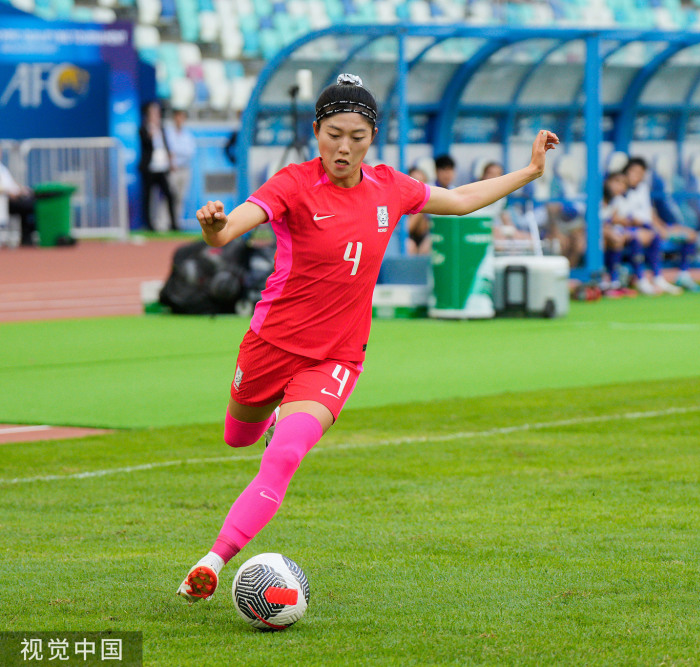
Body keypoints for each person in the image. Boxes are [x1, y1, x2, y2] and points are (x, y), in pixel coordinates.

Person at [176, 74, 559, 602]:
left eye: (357, 135)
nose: (344, 146)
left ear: (371, 137)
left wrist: (531, 171)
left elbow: (464, 198)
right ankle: (268, 419)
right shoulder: (291, 184)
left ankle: (213, 560)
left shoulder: (390, 187)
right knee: (238, 437)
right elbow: (228, 231)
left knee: (284, 456)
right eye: (334, 133)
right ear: (316, 131)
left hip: (336, 357)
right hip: (270, 344)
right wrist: (213, 225)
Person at [620, 157, 695, 293]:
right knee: (651, 236)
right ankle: (644, 279)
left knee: (690, 235)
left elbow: (650, 212)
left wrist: (662, 227)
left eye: (641, 173)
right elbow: (623, 216)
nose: (637, 176)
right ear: (626, 171)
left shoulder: (643, 188)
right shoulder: (620, 191)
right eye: (634, 172)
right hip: (633, 230)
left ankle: (683, 275)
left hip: (650, 226)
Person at [139, 101, 178, 231]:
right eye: (153, 111)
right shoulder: (143, 128)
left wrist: (170, 162)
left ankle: (173, 224)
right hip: (149, 168)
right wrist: (152, 131)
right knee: (148, 198)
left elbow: (166, 145)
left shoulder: (162, 128)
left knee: (170, 195)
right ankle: (149, 225)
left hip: (162, 168)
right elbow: (146, 143)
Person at [164, 108, 197, 230]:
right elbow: (168, 150)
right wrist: (174, 155)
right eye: (178, 117)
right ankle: (164, 223)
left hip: (184, 168)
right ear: (174, 118)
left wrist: (176, 153)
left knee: (181, 197)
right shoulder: (168, 133)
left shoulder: (187, 134)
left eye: (182, 117)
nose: (179, 120)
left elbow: (190, 152)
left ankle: (176, 223)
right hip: (172, 169)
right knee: (169, 197)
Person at [0, 147, 36, 246]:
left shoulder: (2, 168)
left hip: (14, 198)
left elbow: (11, 183)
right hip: (4, 201)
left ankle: (27, 238)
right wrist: (9, 193)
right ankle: (27, 237)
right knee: (29, 206)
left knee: (33, 202)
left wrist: (22, 189)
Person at [405, 165, 432, 255]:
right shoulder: (401, 201)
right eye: (415, 181)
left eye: (422, 182)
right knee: (409, 245)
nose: (418, 186)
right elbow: (406, 229)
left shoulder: (431, 201)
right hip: (406, 238)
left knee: (431, 243)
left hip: (423, 239)